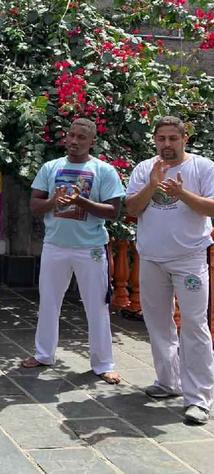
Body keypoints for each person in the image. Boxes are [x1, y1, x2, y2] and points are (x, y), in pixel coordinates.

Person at [124, 115, 214, 425]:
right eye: (161, 138)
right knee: (158, 323)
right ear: (155, 140)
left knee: (194, 325)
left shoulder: (203, 167)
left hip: (189, 258)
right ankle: (168, 382)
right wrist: (151, 185)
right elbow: (132, 209)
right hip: (151, 258)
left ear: (184, 138)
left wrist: (182, 194)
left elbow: (212, 208)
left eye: (173, 138)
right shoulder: (143, 168)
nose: (167, 145)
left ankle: (199, 399)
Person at [20, 118, 123, 384]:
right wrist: (54, 200)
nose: (75, 142)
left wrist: (80, 201)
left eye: (81, 137)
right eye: (71, 136)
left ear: (92, 142)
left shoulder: (104, 170)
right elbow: (34, 204)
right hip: (55, 245)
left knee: (96, 306)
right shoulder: (50, 167)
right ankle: (44, 354)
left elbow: (113, 212)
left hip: (91, 248)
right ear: (65, 138)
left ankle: (103, 363)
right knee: (49, 302)